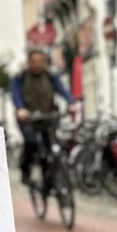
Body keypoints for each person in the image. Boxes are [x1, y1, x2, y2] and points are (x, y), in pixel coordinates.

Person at [11, 48, 73, 186]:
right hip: (28, 118)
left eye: (40, 62)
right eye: (34, 62)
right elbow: (15, 95)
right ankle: (25, 170)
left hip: (48, 117)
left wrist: (71, 103)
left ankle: (48, 180)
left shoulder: (51, 76)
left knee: (49, 147)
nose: (38, 65)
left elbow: (63, 90)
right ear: (29, 63)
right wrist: (20, 109)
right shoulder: (20, 77)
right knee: (32, 143)